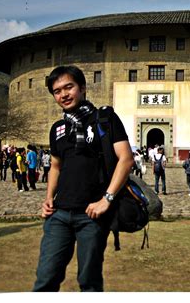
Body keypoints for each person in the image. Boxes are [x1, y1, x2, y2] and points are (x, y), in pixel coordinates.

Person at [33, 65, 133, 292]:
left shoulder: (104, 119)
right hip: (59, 214)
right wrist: (49, 198)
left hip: (92, 216)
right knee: (45, 279)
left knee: (89, 282)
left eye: (69, 87)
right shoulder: (58, 128)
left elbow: (126, 159)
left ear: (83, 88)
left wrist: (106, 199)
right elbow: (56, 166)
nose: (63, 94)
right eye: (57, 91)